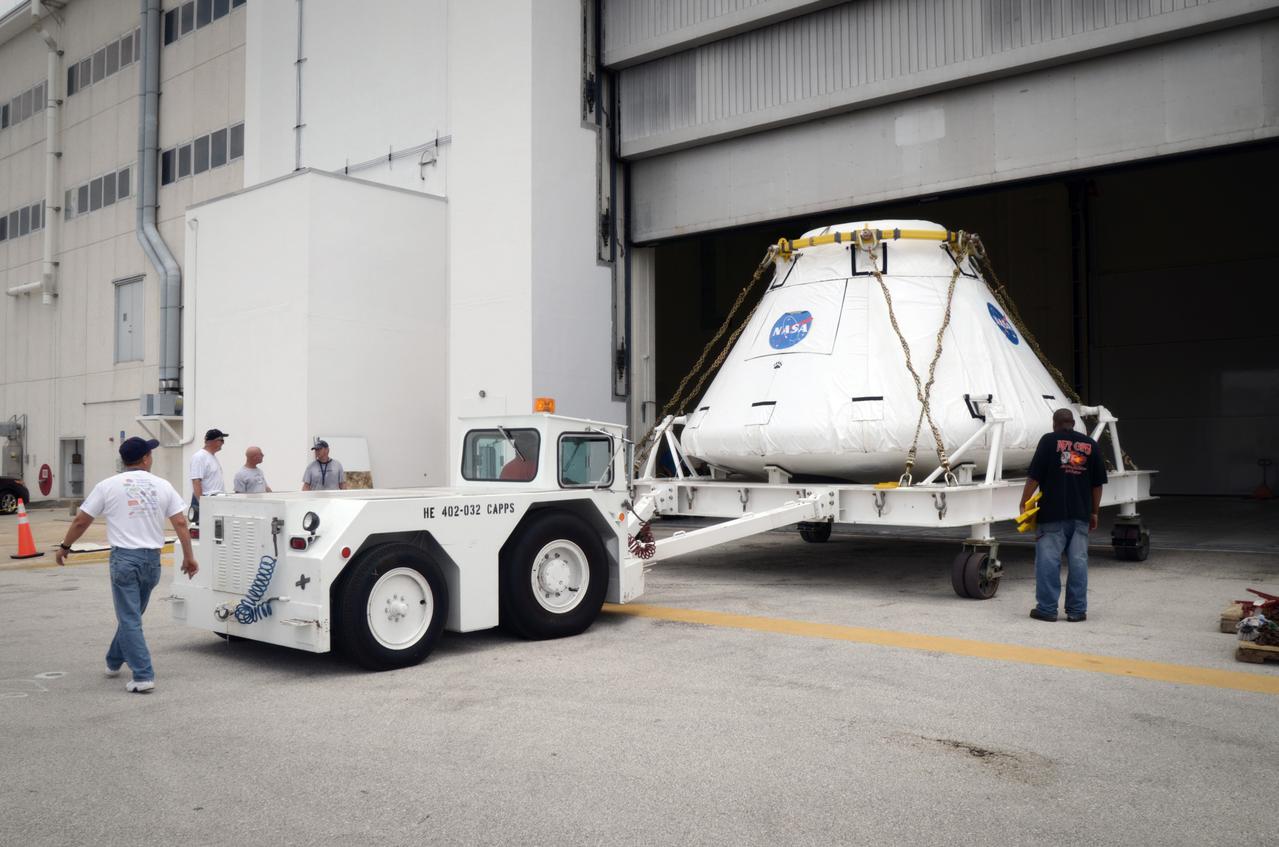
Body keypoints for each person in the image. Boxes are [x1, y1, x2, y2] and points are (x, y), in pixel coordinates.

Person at [55, 436, 198, 693]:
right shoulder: (163, 485)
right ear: (145, 458)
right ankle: (113, 661)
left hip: (125, 560)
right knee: (131, 616)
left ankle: (143, 676)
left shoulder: (107, 486)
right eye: (150, 454)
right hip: (152, 561)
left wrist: (65, 546)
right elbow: (180, 524)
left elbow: (81, 521)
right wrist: (188, 557)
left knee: (130, 618)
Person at [1020, 408, 1108, 623]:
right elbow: (1097, 485)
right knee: (1078, 562)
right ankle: (1077, 611)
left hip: (1051, 514)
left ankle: (1048, 609)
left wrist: (1024, 501)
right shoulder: (1091, 445)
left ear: (1055, 423)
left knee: (1048, 562)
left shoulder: (1049, 441)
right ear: (1072, 423)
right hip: (1080, 514)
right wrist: (1094, 512)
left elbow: (1034, 476)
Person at [189, 428, 228, 521]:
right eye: (221, 440)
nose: (223, 443)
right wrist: (202, 504)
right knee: (204, 531)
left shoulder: (211, 456)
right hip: (206, 499)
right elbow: (196, 481)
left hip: (214, 500)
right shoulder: (199, 457)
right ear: (212, 441)